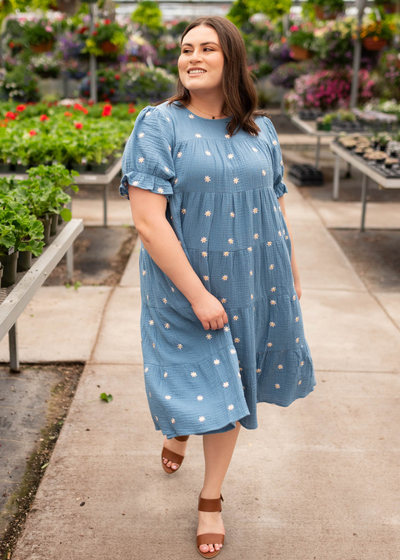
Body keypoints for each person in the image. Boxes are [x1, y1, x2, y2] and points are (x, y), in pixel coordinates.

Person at [119, 15, 316, 558]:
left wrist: (291, 272)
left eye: (208, 48)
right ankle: (181, 431)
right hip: (184, 287)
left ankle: (210, 497)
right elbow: (149, 222)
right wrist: (199, 295)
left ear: (232, 58)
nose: (193, 57)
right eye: (186, 49)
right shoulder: (159, 125)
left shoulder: (261, 129)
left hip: (254, 282)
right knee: (201, 380)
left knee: (227, 393)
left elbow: (274, 206)